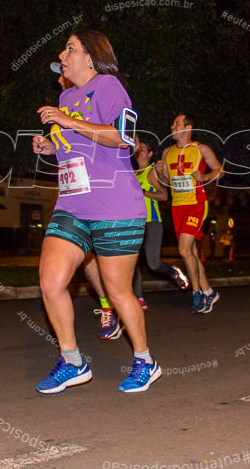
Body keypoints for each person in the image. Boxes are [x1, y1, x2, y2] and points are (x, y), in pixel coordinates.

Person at [33, 29, 159, 393]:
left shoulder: (107, 86)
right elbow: (72, 148)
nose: (63, 53)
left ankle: (144, 361)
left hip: (115, 205)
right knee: (50, 282)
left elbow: (123, 137)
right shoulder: (65, 95)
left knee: (118, 292)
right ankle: (72, 361)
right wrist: (49, 146)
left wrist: (69, 121)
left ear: (89, 57)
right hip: (73, 205)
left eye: (70, 47)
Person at [155, 114, 224, 314]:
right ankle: (210, 292)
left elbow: (220, 171)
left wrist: (205, 176)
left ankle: (197, 294)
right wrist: (160, 172)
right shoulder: (167, 152)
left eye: (176, 123)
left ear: (188, 127)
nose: (172, 126)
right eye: (173, 122)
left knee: (184, 250)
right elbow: (168, 181)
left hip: (196, 203)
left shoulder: (201, 149)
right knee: (191, 253)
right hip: (177, 205)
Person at [131, 137, 190, 305]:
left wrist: (143, 193)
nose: (138, 150)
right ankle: (138, 298)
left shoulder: (151, 172)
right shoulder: (132, 173)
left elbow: (164, 195)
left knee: (154, 264)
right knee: (132, 262)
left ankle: (173, 272)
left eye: (142, 148)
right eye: (137, 148)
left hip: (152, 222)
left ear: (150, 154)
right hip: (134, 222)